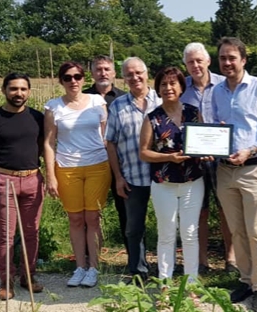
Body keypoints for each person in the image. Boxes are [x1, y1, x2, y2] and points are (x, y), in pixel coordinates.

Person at [209, 37, 257, 312]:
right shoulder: (217, 92)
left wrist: (249, 150)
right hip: (225, 170)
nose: (227, 63)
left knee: (255, 230)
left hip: (252, 168)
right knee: (237, 231)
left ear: (243, 60)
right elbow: (216, 126)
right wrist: (213, 144)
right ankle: (246, 279)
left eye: (232, 58)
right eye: (223, 58)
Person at [0, 73, 45, 300]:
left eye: (23, 89)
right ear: (4, 90)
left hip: (33, 180)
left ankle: (28, 276)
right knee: (5, 235)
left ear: (29, 92)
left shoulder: (37, 118)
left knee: (31, 232)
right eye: (13, 89)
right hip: (4, 182)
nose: (19, 93)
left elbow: (43, 147)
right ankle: (6, 281)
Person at [43, 61, 111, 288]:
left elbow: (105, 135)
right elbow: (49, 142)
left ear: (84, 78)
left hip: (97, 166)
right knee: (75, 218)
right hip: (67, 167)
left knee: (92, 218)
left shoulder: (97, 101)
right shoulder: (53, 107)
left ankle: (94, 267)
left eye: (77, 76)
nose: (73, 81)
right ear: (61, 81)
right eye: (67, 77)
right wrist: (50, 175)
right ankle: (79, 266)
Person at [139, 67, 210, 284]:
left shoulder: (193, 112)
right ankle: (165, 284)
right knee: (167, 234)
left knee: (190, 233)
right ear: (158, 89)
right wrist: (168, 158)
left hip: (192, 181)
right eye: (163, 84)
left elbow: (205, 140)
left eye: (173, 83)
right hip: (164, 183)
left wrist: (210, 149)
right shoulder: (153, 118)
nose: (168, 88)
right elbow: (144, 152)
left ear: (181, 86)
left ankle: (191, 283)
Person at [180, 42, 236, 275]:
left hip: (221, 158)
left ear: (208, 61)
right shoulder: (181, 87)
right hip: (192, 159)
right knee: (198, 210)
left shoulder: (223, 85)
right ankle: (201, 261)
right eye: (190, 62)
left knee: (226, 208)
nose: (195, 65)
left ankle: (230, 259)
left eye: (198, 61)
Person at [106, 57, 162, 283]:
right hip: (132, 175)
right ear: (124, 78)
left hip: (163, 176)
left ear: (147, 73)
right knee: (133, 227)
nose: (135, 77)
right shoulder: (117, 105)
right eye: (129, 74)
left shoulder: (162, 100)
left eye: (138, 72)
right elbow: (110, 142)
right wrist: (118, 177)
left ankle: (164, 269)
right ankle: (138, 271)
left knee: (166, 225)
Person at [83, 55, 128, 253]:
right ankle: (90, 256)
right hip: (92, 161)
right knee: (90, 210)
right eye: (99, 69)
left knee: (125, 208)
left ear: (114, 73)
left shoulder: (124, 98)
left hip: (120, 161)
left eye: (107, 69)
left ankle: (132, 255)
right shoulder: (82, 98)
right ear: (92, 73)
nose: (103, 73)